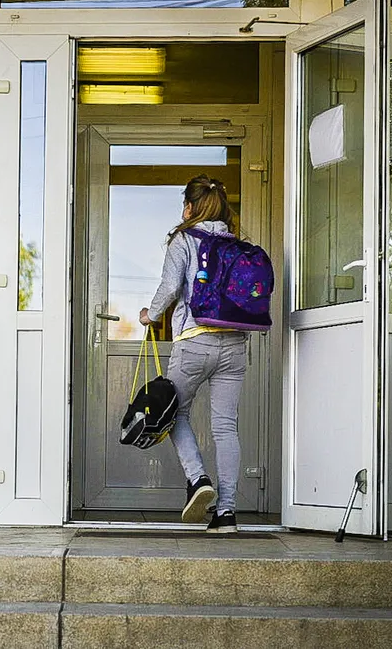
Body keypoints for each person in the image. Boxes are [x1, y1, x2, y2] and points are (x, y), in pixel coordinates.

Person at [139, 175, 248, 534]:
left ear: (189, 206)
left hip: (194, 340)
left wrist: (150, 315)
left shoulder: (184, 239)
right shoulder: (237, 244)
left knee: (174, 413)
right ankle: (227, 512)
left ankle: (198, 479)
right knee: (225, 427)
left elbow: (170, 287)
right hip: (233, 345)